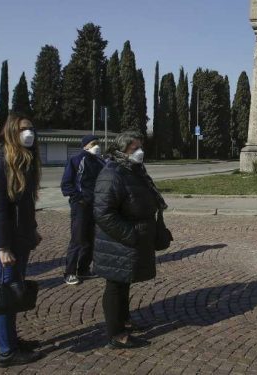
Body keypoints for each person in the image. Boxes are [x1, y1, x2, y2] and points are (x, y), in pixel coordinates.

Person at [93, 131, 168, 349]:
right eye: (134, 148)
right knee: (115, 285)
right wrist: (131, 234)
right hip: (118, 241)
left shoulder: (134, 170)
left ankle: (124, 321)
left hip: (131, 238)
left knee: (124, 281)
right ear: (122, 150)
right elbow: (103, 213)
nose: (140, 152)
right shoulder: (112, 173)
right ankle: (117, 335)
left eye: (141, 147)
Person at [0, 114, 43, 367]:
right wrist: (3, 247)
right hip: (8, 241)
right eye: (23, 129)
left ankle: (13, 340)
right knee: (6, 294)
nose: (29, 133)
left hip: (21, 237)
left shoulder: (23, 160)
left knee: (15, 291)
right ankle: (6, 351)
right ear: (10, 133)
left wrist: (32, 230)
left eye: (31, 128)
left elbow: (24, 206)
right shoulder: (0, 160)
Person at [61, 135, 106, 285]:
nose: (97, 146)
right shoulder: (77, 160)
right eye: (94, 143)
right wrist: (79, 199)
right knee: (78, 238)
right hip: (81, 206)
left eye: (99, 143)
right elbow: (66, 184)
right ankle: (70, 272)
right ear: (85, 146)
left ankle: (84, 269)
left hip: (96, 204)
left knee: (91, 238)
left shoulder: (101, 161)